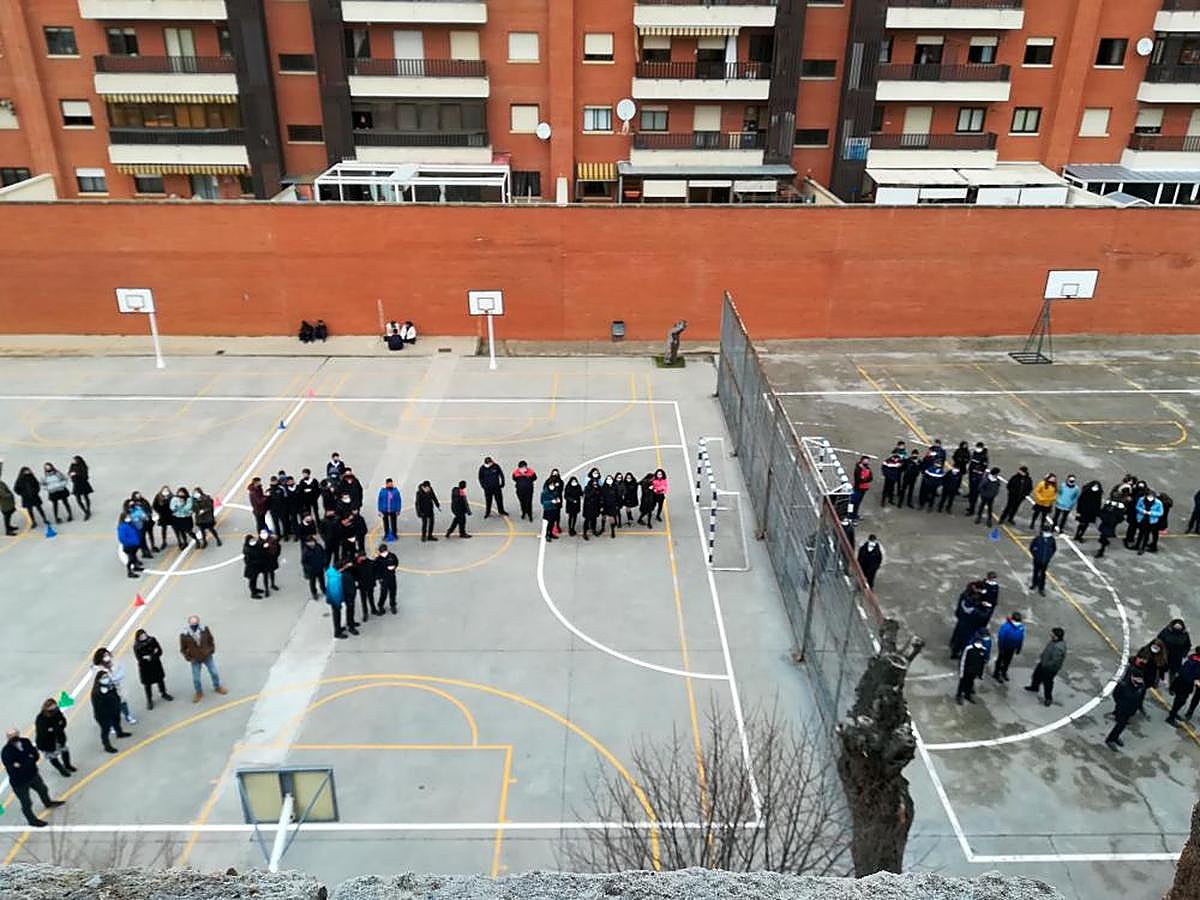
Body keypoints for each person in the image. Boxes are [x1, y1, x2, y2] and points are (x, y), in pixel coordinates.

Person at [2, 727, 64, 826]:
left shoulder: (25, 742)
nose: (13, 738)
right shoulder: (6, 751)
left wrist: (23, 763)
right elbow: (13, 768)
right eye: (11, 736)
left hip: (33, 775)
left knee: (43, 789)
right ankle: (32, 820)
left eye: (15, 735)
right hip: (19, 782)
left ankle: (47, 803)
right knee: (26, 802)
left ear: (18, 734)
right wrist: (28, 760)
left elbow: (35, 755)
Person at [180, 616, 226, 703]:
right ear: (189, 624)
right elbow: (183, 648)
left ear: (199, 622)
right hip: (195, 658)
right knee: (196, 678)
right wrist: (189, 658)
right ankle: (199, 692)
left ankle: (217, 686)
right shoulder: (184, 634)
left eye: (196, 623)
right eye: (192, 624)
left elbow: (210, 639)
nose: (194, 625)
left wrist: (211, 650)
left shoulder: (204, 630)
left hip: (207, 656)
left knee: (214, 672)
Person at [93, 647, 136, 726]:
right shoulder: (97, 669)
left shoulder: (114, 663)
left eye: (107, 655)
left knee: (122, 703)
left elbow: (121, 672)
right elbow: (101, 680)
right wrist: (112, 679)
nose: (107, 657)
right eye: (104, 656)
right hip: (106, 691)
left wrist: (114, 679)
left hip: (117, 688)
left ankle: (128, 716)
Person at [1025, 627, 1066, 707]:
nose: (1050, 634)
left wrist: (1045, 664)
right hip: (1044, 663)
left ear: (1056, 636)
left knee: (1047, 683)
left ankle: (1048, 698)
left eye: (1052, 633)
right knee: (1036, 676)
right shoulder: (1054, 641)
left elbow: (1055, 661)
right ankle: (1034, 687)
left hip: (1049, 669)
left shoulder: (1058, 648)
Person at [34, 699, 74, 778]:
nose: (54, 708)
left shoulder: (57, 712)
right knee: (52, 757)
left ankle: (67, 765)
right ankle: (61, 770)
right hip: (47, 742)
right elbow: (44, 731)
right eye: (51, 706)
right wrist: (56, 727)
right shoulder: (41, 718)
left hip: (59, 738)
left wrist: (54, 728)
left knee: (65, 751)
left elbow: (63, 721)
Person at [133, 629, 173, 709]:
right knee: (147, 685)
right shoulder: (137, 646)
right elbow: (139, 658)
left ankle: (163, 693)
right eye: (141, 636)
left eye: (144, 635)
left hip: (155, 664)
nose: (143, 637)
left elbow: (159, 651)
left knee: (160, 680)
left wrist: (150, 656)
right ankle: (149, 700)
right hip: (145, 668)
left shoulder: (152, 640)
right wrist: (153, 653)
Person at [1105, 670, 1144, 751]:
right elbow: (1116, 695)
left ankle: (1115, 737)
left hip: (1131, 709)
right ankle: (1110, 739)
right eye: (1137, 679)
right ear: (1132, 677)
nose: (1139, 682)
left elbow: (1140, 697)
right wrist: (1120, 704)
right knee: (1120, 725)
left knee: (1122, 725)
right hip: (1122, 709)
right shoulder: (1123, 685)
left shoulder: (1140, 686)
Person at [89, 670, 127, 752]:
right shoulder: (96, 692)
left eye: (106, 676)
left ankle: (119, 733)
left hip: (114, 709)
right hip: (103, 715)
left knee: (116, 721)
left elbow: (115, 694)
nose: (106, 678)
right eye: (103, 677)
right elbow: (98, 706)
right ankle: (107, 746)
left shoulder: (109, 685)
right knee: (105, 730)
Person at [1167, 646, 1200, 726]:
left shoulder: (1191, 658)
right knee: (1180, 700)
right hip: (1185, 684)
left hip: (1181, 682)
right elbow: (1192, 674)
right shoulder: (1196, 663)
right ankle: (1171, 717)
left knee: (1180, 700)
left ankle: (1174, 713)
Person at [993, 611, 1024, 682]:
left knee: (1007, 661)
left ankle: (1004, 672)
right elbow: (1001, 637)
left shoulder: (1020, 627)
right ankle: (996, 673)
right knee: (1000, 660)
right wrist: (1001, 648)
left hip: (1012, 648)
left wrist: (1019, 647)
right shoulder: (1006, 626)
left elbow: (1021, 638)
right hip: (1004, 647)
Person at [957, 636, 988, 705]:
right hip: (966, 670)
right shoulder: (969, 649)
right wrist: (961, 671)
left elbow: (983, 663)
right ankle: (959, 695)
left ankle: (967, 695)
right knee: (962, 683)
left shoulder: (983, 650)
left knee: (970, 683)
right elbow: (963, 660)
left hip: (974, 671)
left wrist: (981, 674)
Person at [1133, 490, 1164, 555]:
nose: (1150, 498)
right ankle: (1137, 545)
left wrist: (1151, 513)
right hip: (1142, 519)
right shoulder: (1141, 500)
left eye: (1151, 496)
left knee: (1146, 535)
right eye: (1148, 496)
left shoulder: (1158, 503)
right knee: (1140, 533)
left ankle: (1142, 548)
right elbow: (1137, 507)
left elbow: (1160, 513)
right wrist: (1143, 511)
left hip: (1151, 521)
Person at [324, 560, 349, 638]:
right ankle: (337, 633)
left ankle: (338, 629)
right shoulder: (336, 578)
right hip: (335, 601)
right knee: (337, 615)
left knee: (337, 615)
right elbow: (336, 592)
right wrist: (338, 603)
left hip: (333, 599)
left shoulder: (332, 574)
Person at [1029, 524, 1056, 596]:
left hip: (1045, 561)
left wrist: (1048, 557)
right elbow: (1031, 547)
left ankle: (1041, 588)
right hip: (1037, 560)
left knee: (1043, 574)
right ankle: (1034, 584)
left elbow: (1053, 549)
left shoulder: (1051, 540)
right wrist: (1035, 555)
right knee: (1035, 572)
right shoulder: (1038, 539)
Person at [964, 442, 989, 516]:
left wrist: (977, 471)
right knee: (971, 489)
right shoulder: (975, 453)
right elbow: (971, 462)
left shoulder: (984, 457)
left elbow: (984, 467)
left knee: (974, 494)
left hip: (977, 477)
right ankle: (970, 505)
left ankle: (971, 510)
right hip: (972, 474)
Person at [117, 514, 144, 578]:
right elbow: (122, 537)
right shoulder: (123, 526)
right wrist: (129, 543)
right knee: (131, 559)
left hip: (135, 544)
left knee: (134, 556)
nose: (129, 518)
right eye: (127, 517)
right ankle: (129, 572)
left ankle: (135, 567)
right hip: (129, 546)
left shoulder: (131, 524)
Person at [301, 535, 327, 601]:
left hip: (320, 567)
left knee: (322, 580)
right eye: (309, 542)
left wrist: (324, 562)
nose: (311, 543)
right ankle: (314, 593)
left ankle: (323, 589)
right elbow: (304, 562)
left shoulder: (319, 547)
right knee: (312, 582)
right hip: (312, 570)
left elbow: (324, 554)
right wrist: (308, 569)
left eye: (312, 541)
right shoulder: (305, 551)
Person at [375, 543, 399, 614]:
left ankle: (393, 605)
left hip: (391, 577)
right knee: (383, 593)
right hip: (384, 579)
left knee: (393, 592)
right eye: (382, 552)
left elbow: (396, 562)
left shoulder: (392, 556)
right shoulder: (378, 560)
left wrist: (394, 567)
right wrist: (379, 578)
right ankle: (380, 605)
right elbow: (376, 570)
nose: (384, 553)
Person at [352, 552, 377, 619]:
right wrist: (357, 582)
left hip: (369, 583)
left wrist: (374, 580)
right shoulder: (355, 565)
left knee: (371, 597)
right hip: (362, 585)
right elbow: (354, 575)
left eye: (364, 556)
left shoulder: (370, 562)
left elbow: (374, 572)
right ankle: (365, 613)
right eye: (362, 557)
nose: (363, 558)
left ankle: (373, 609)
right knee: (363, 600)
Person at [68, 455, 93, 521]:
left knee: (86, 497)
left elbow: (85, 475)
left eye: (75, 460)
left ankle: (88, 509)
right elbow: (69, 472)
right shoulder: (72, 465)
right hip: (76, 484)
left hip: (83, 483)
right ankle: (85, 511)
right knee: (78, 500)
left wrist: (76, 473)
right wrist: (72, 474)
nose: (74, 461)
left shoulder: (83, 466)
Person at [377, 477, 402, 542]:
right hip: (384, 510)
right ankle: (386, 534)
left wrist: (398, 510)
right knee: (386, 523)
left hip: (393, 510)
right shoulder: (382, 491)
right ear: (386, 484)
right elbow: (380, 500)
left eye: (391, 484)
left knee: (394, 523)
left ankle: (394, 534)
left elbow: (398, 500)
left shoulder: (395, 491)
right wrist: (379, 510)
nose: (391, 485)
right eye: (389, 484)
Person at [243, 534, 267, 598]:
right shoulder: (247, 550)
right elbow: (248, 561)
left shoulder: (254, 546)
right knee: (252, 580)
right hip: (251, 568)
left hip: (256, 567)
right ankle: (253, 593)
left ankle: (255, 589)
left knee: (254, 579)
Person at [152, 486, 174, 550]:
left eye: (167, 490)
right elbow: (154, 505)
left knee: (175, 528)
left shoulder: (172, 496)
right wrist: (159, 511)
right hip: (163, 515)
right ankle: (164, 541)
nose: (165, 491)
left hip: (170, 515)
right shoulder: (158, 496)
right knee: (164, 528)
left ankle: (180, 540)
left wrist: (172, 511)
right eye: (164, 490)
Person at [582, 476, 602, 541]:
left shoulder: (598, 488)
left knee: (594, 519)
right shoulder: (587, 488)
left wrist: (600, 505)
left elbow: (600, 496)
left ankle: (594, 529)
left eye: (596, 483)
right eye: (594, 483)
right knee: (587, 520)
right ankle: (584, 533)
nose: (595, 484)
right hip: (588, 507)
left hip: (595, 506)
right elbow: (588, 495)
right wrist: (593, 489)